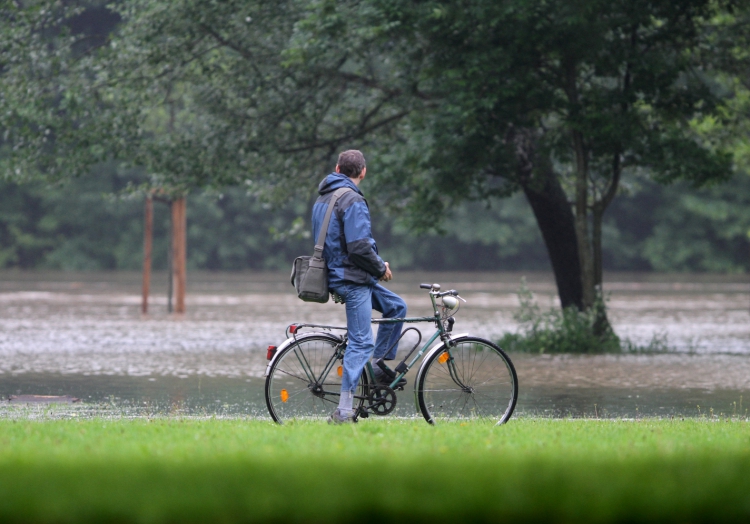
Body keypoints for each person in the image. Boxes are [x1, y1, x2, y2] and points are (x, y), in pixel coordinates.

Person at [312, 149, 407, 424]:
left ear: (337, 168)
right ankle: (344, 411)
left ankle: (376, 367)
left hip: (341, 274)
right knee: (362, 341)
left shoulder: (323, 198)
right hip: (351, 280)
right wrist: (380, 267)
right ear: (363, 172)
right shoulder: (351, 199)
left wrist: (372, 266)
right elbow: (358, 247)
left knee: (396, 306)